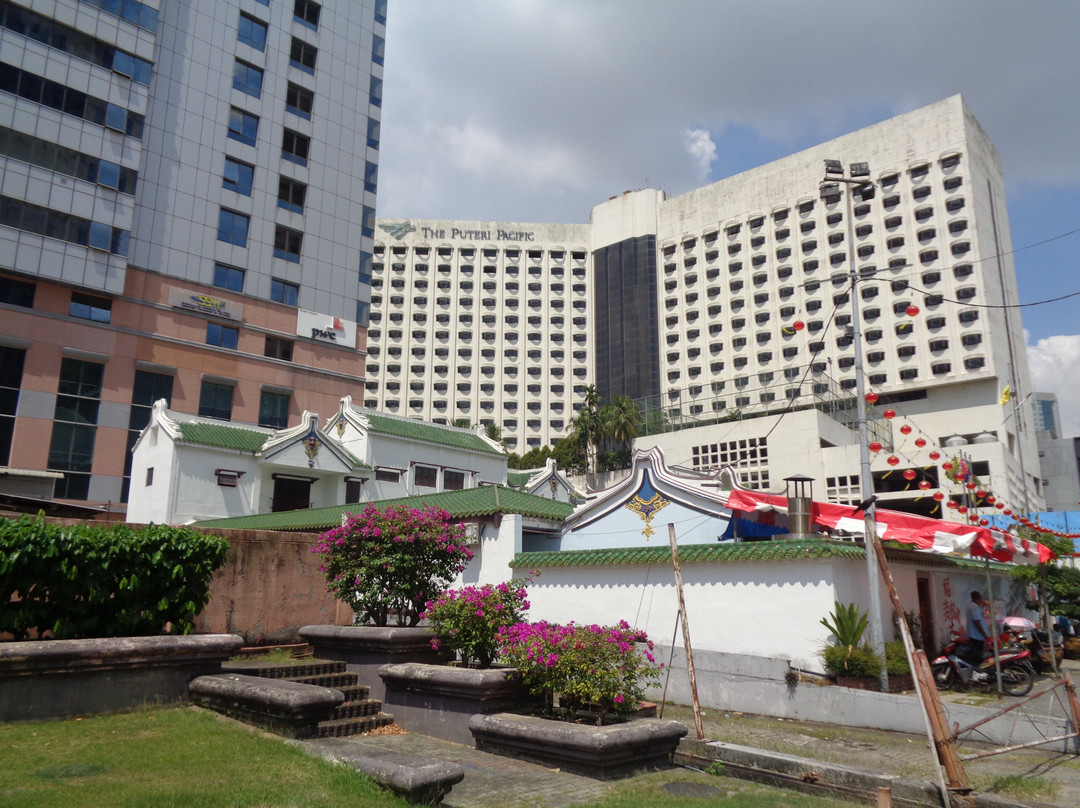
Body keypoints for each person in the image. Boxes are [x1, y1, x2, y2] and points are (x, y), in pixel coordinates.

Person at [964, 591, 988, 666]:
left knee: (977, 654)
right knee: (978, 655)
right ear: (978, 599)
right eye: (981, 599)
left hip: (975, 635)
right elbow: (976, 621)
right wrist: (983, 633)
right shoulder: (974, 607)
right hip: (976, 636)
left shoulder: (972, 606)